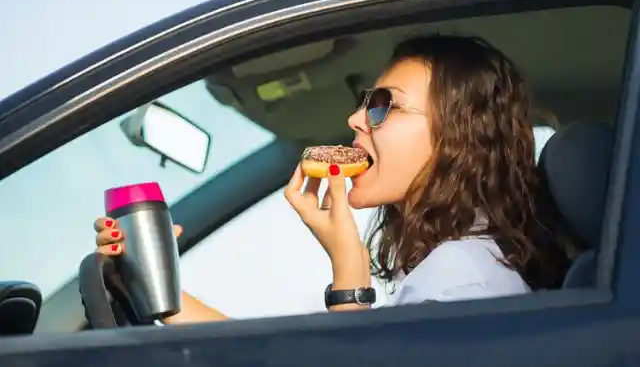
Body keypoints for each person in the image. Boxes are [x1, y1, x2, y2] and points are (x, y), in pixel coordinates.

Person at [93, 34, 571, 323]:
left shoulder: (465, 281)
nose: (356, 119)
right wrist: (157, 289)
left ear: (457, 140)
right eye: (366, 102)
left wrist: (348, 265)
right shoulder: (450, 267)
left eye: (384, 105)